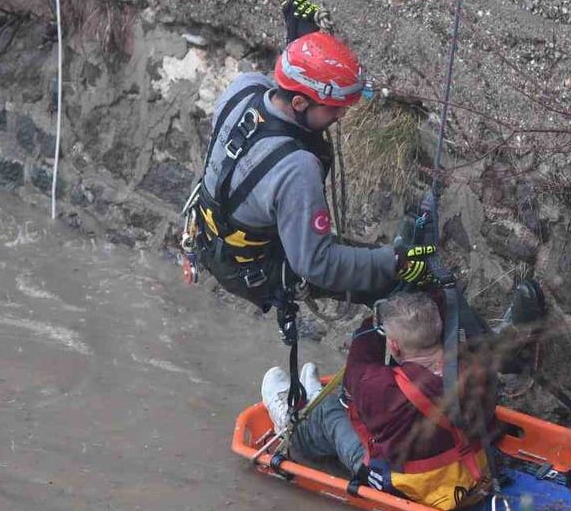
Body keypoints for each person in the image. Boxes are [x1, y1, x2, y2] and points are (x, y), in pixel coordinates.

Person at [184, 27, 440, 341]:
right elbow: (317, 264)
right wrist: (394, 261)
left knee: (373, 260)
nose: (342, 114)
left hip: (212, 235)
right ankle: (454, 353)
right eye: (334, 108)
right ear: (301, 105)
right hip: (258, 268)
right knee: (397, 283)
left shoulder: (245, 87)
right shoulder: (296, 167)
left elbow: (287, 82)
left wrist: (305, 46)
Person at [260, 290, 530, 511]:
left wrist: (374, 321)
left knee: (331, 413)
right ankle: (312, 399)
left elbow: (359, 357)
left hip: (410, 485)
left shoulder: (381, 386)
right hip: (471, 468)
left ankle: (292, 427)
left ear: (395, 346)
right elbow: (446, 300)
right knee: (350, 400)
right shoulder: (474, 365)